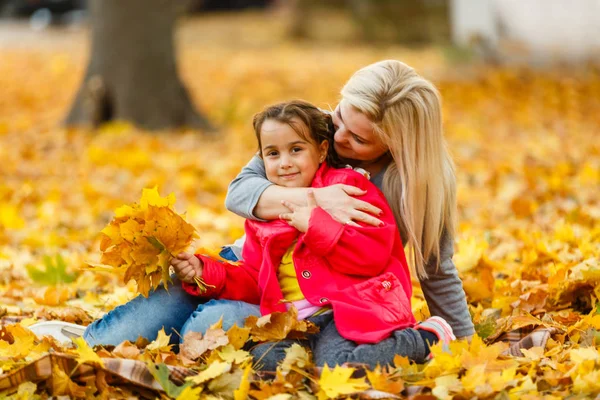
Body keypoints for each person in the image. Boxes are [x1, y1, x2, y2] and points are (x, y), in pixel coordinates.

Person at [172, 100, 454, 370]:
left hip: (348, 310)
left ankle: (424, 340)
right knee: (265, 363)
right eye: (273, 154)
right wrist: (206, 273)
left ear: (320, 151)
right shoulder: (267, 212)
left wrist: (317, 225)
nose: (284, 163)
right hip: (293, 322)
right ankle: (311, 361)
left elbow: (373, 256)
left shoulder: (351, 188)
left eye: (296, 149)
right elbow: (255, 279)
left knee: (338, 365)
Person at [225, 60, 474, 346]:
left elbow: (436, 268)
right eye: (340, 116)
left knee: (216, 324)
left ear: (396, 144)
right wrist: (319, 199)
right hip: (255, 268)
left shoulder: (419, 181)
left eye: (358, 138)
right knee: (165, 313)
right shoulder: (310, 128)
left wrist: (465, 342)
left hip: (328, 304)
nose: (338, 136)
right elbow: (239, 193)